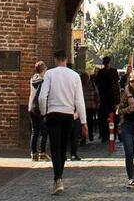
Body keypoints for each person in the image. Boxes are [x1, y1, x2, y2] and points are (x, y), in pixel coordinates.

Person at [33, 50, 87, 194]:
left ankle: (58, 179)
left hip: (53, 114)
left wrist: (44, 113)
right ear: (67, 59)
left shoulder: (50, 74)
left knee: (55, 147)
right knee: (63, 148)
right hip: (68, 114)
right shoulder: (75, 76)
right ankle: (59, 178)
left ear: (55, 59)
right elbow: (79, 101)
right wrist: (83, 122)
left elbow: (42, 98)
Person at [94, 57, 121, 144]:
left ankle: (112, 134)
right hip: (103, 98)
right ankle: (104, 135)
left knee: (112, 117)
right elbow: (97, 83)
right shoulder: (100, 72)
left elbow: (116, 85)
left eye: (107, 63)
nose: (106, 64)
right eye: (105, 63)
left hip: (111, 98)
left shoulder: (113, 72)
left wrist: (117, 100)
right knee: (103, 118)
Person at [28, 63, 49, 162]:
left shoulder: (32, 79)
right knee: (44, 132)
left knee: (34, 131)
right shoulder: (43, 81)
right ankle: (42, 153)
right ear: (43, 69)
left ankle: (34, 153)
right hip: (39, 108)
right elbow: (42, 97)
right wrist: (44, 111)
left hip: (31, 108)